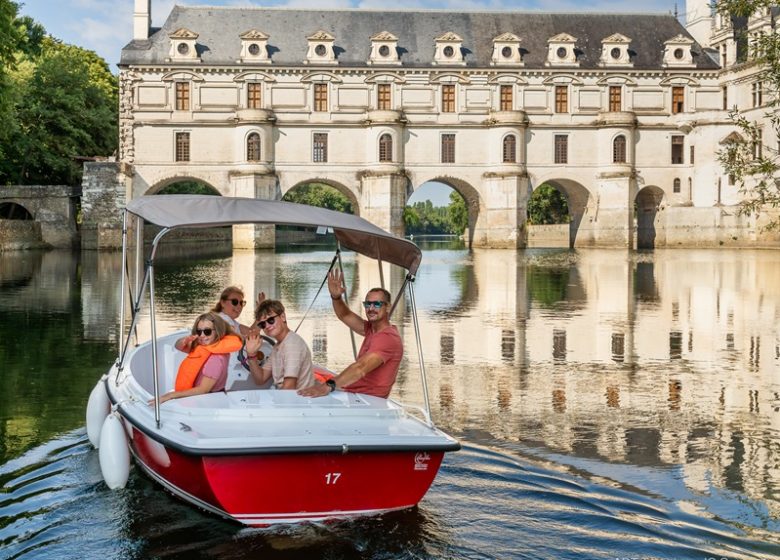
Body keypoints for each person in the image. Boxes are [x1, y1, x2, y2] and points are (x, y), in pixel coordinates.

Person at [298, 269, 402, 399]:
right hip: (353, 394)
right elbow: (345, 314)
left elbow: (360, 368)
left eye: (377, 304)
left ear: (387, 307)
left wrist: (327, 386)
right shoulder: (372, 329)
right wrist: (336, 297)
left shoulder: (387, 338)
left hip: (366, 400)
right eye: (367, 304)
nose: (371, 308)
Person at [153, 312, 242, 404]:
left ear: (218, 332)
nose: (202, 335)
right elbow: (178, 346)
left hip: (208, 402)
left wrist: (170, 395)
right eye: (199, 332)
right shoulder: (205, 347)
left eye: (207, 332)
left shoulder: (216, 359)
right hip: (203, 398)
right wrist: (183, 341)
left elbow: (203, 390)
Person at [244, 299, 316, 390]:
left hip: (298, 401)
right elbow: (260, 379)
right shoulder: (278, 346)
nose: (267, 326)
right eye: (262, 324)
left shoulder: (292, 345)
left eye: (270, 320)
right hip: (285, 398)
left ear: (282, 317)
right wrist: (251, 355)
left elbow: (289, 388)